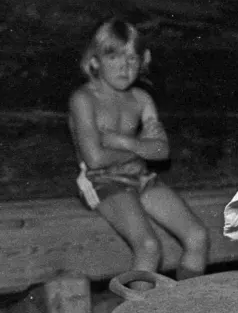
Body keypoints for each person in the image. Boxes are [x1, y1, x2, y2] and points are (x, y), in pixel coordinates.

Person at [68, 17, 209, 280]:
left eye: (132, 59)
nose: (124, 67)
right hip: (102, 182)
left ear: (143, 60)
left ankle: (190, 309)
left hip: (140, 177)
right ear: (95, 61)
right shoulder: (84, 99)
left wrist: (123, 142)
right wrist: (143, 146)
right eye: (114, 58)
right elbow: (96, 159)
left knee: (197, 236)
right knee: (149, 246)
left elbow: (162, 152)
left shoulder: (141, 99)